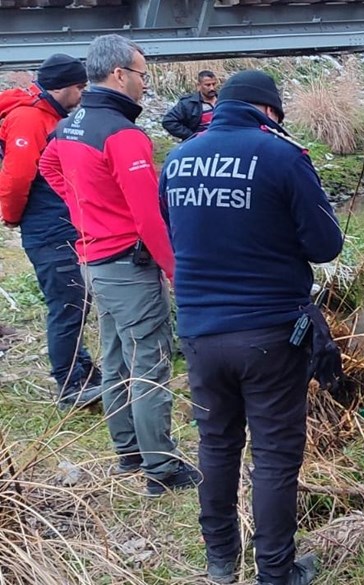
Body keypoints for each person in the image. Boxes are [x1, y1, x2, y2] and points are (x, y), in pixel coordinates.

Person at [161, 70, 344, 585]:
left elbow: (175, 232)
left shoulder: (177, 159)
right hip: (268, 334)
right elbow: (325, 245)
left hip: (199, 332)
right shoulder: (284, 156)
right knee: (274, 455)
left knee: (215, 446)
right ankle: (275, 573)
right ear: (270, 111)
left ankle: (221, 562)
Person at [39, 34, 198, 495]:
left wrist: (83, 208)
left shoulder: (72, 123)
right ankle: (161, 468)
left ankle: (128, 450)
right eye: (142, 75)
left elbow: (49, 166)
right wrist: (175, 271)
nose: (145, 85)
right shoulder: (123, 134)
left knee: (113, 357)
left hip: (94, 260)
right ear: (120, 75)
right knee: (149, 361)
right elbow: (149, 215)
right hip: (127, 263)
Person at [0, 53, 102, 410]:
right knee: (67, 301)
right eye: (79, 87)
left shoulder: (45, 115)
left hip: (55, 222)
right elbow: (16, 177)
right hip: (47, 226)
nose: (82, 95)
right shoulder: (29, 119)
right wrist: (12, 216)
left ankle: (83, 371)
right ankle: (71, 385)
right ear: (64, 86)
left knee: (74, 299)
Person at [161, 69, 218, 141]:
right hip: (199, 144)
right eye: (207, 85)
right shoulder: (188, 103)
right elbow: (168, 121)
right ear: (199, 85)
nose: (212, 88)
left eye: (214, 84)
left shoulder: (223, 100)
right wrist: (191, 136)